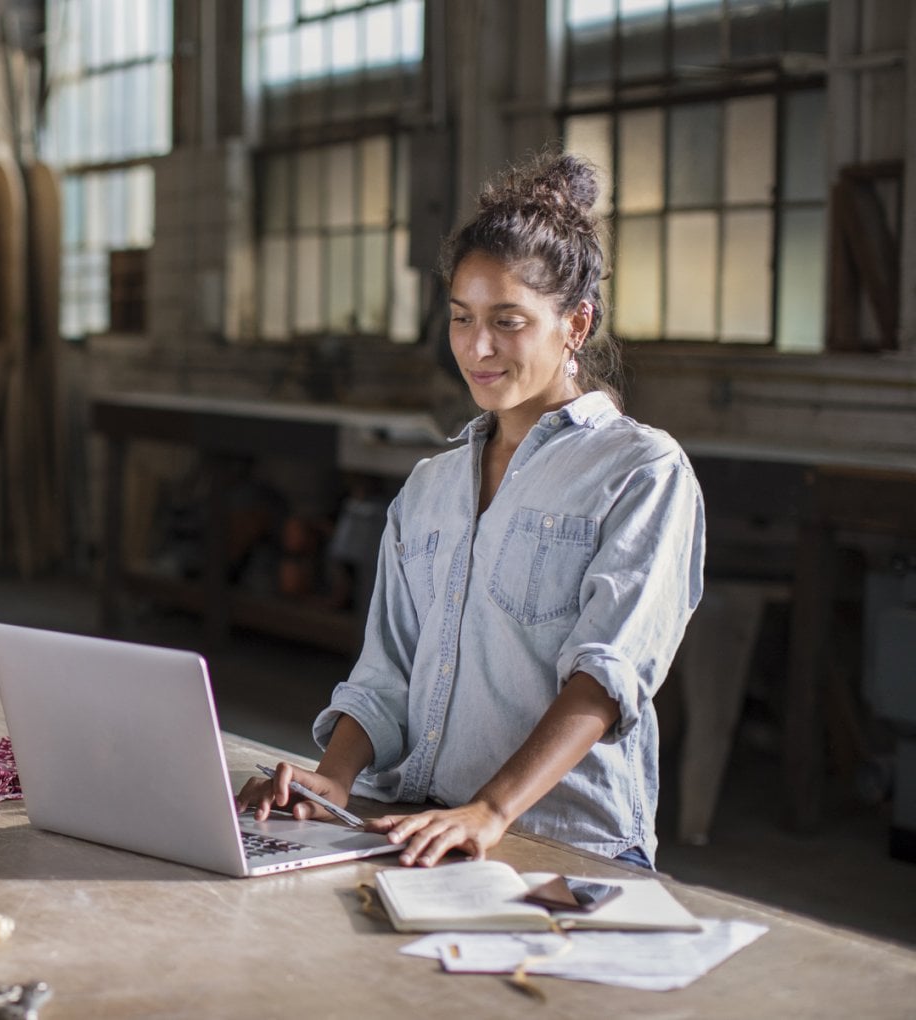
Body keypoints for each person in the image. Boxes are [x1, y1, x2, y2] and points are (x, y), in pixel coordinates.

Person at [236, 152, 705, 871]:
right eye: (461, 318)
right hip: (416, 826)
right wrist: (332, 781)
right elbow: (385, 672)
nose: (477, 348)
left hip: (562, 843)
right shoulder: (429, 487)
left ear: (575, 324)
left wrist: (491, 811)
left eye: (507, 321)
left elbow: (607, 679)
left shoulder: (641, 472)